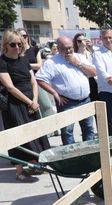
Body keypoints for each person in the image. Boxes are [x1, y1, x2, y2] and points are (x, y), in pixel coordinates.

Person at [0, 30, 50, 182]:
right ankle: (20, 171)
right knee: (19, 137)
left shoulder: (23, 60)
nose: (16, 47)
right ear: (5, 45)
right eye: (13, 44)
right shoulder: (2, 62)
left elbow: (33, 81)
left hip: (31, 102)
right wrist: (29, 102)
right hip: (14, 104)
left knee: (35, 134)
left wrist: (34, 100)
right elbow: (10, 87)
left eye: (19, 44)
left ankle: (34, 165)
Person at [35, 36, 96, 145]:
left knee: (89, 129)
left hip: (85, 100)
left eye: (70, 48)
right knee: (67, 132)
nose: (68, 51)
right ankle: (71, 158)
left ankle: (88, 155)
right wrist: (54, 93)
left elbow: (94, 72)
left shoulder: (79, 57)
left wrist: (78, 63)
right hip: (67, 102)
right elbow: (40, 79)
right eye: (65, 48)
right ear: (58, 48)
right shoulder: (52, 62)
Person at [73, 33, 98, 102]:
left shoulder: (91, 51)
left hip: (95, 80)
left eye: (84, 40)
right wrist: (80, 49)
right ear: (75, 42)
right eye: (79, 41)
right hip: (83, 81)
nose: (82, 43)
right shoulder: (74, 54)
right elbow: (76, 63)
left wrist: (91, 48)